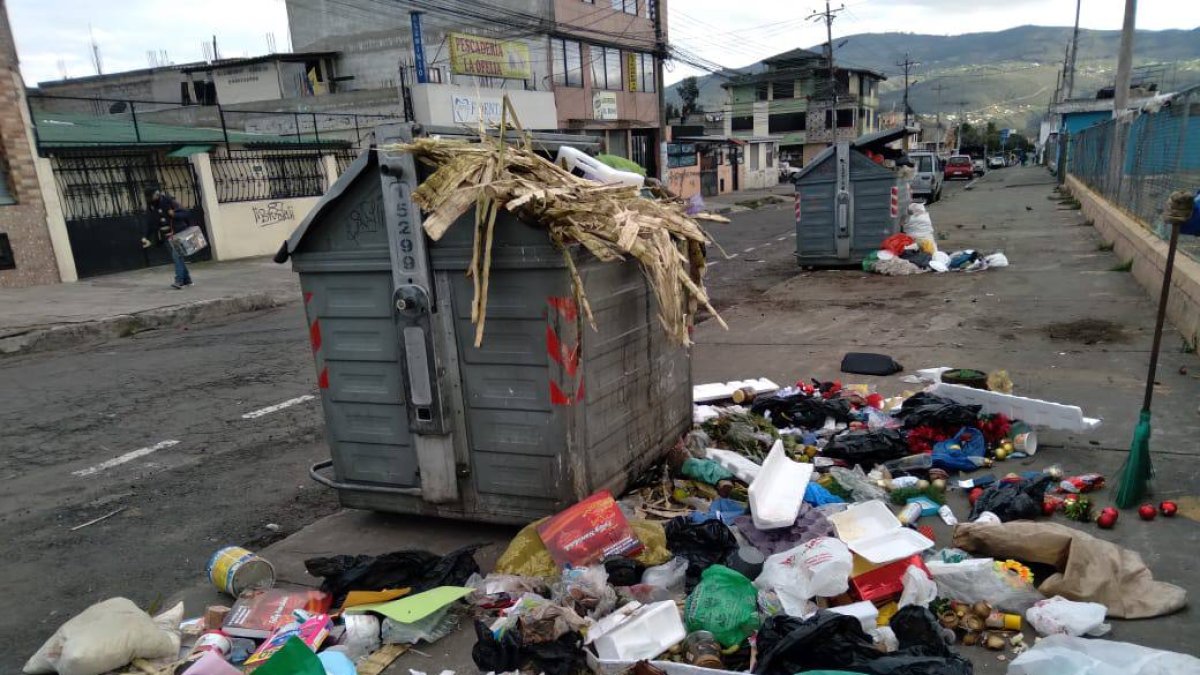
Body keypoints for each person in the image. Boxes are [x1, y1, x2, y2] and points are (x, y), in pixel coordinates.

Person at [141, 188, 193, 289]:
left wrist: (174, 214)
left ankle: (179, 281)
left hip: (178, 233)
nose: (156, 196)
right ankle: (187, 280)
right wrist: (146, 237)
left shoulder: (169, 202)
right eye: (153, 195)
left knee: (176, 256)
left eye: (157, 194)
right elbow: (150, 223)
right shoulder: (151, 207)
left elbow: (186, 213)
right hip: (166, 236)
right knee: (178, 258)